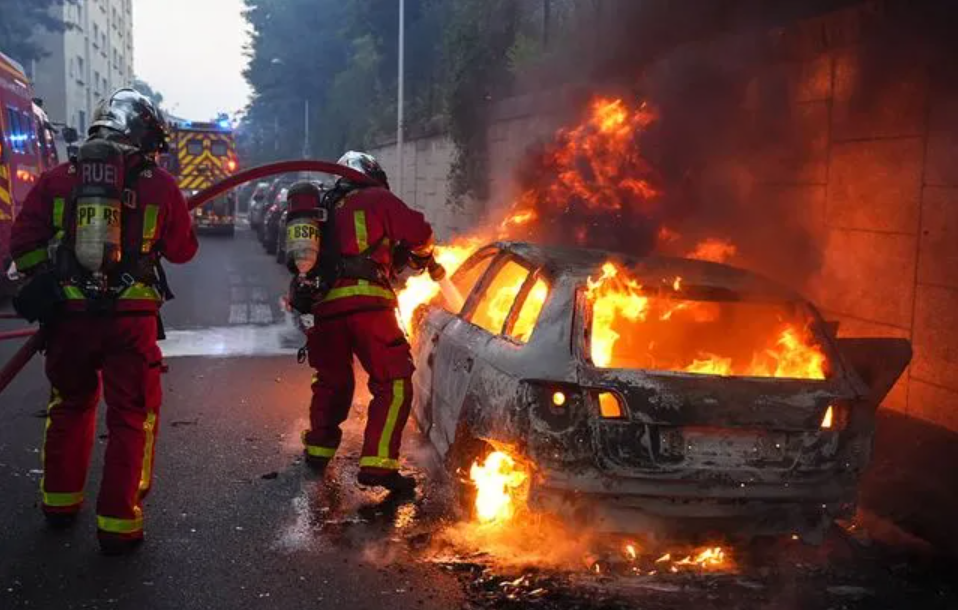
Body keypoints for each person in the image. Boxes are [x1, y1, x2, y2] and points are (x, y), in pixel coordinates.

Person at [10, 89, 198, 555]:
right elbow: (183, 250)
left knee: (70, 405)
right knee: (131, 416)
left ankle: (59, 503)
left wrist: (47, 276)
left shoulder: (57, 179)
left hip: (70, 319)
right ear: (141, 135)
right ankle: (118, 522)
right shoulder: (158, 185)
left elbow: (23, 242)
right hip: (131, 320)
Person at [292, 151, 437, 493]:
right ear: (372, 174)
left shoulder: (321, 209)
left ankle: (318, 449)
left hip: (325, 311)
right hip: (368, 306)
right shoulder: (377, 198)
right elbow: (421, 232)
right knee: (394, 382)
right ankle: (379, 466)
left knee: (332, 382)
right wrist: (422, 254)